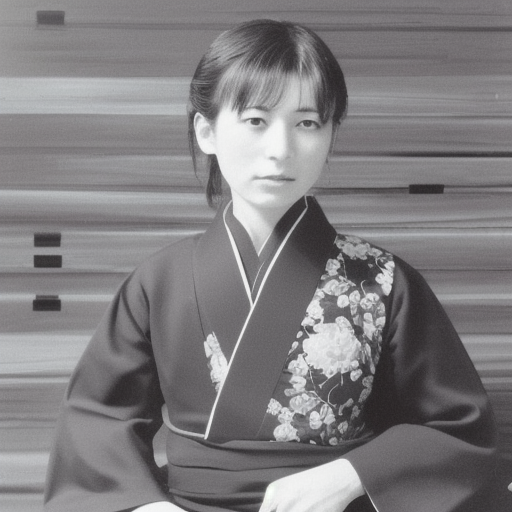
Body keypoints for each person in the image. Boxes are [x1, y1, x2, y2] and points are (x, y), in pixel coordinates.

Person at [44, 19, 497, 512]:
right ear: (207, 131)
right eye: (256, 120)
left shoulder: (383, 281)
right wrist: (145, 507)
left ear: (330, 134)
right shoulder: (158, 283)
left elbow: (459, 430)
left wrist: (350, 475)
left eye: (307, 123)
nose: (281, 150)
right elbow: (95, 423)